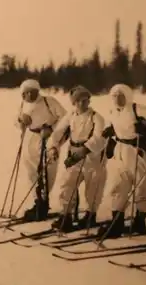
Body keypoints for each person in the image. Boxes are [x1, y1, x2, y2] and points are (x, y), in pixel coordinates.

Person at [97, 83, 146, 238]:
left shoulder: (137, 109)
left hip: (138, 150)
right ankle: (117, 221)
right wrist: (112, 134)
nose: (117, 99)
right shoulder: (113, 111)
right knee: (118, 184)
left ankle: (140, 220)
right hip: (121, 150)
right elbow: (118, 126)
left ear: (127, 96)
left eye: (121, 96)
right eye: (114, 96)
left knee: (142, 185)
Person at [47, 85, 108, 232]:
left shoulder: (96, 118)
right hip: (74, 155)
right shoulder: (71, 116)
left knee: (92, 186)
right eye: (78, 101)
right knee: (67, 184)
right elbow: (59, 132)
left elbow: (100, 137)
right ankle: (66, 216)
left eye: (85, 100)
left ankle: (90, 215)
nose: (82, 103)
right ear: (73, 103)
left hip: (92, 156)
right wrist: (53, 147)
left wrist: (86, 149)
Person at [15, 79, 67, 221]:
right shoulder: (23, 104)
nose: (29, 95)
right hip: (29, 139)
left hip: (47, 139)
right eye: (25, 93)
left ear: (37, 91)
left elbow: (65, 119)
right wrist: (20, 121)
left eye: (32, 92)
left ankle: (43, 202)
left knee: (46, 170)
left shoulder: (48, 101)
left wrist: (51, 129)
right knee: (30, 170)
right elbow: (16, 120)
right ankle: (37, 202)